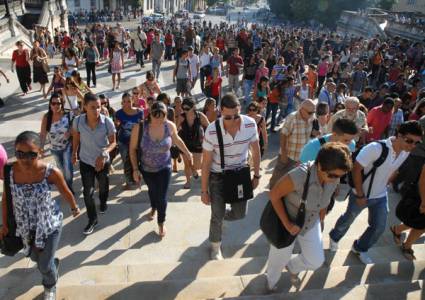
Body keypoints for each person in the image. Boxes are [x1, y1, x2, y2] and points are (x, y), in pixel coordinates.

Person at [329, 121, 423, 264]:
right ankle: (334, 237)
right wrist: (360, 194)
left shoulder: (405, 152)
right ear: (399, 135)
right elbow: (356, 168)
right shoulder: (376, 148)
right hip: (360, 195)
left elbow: (394, 169)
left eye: (417, 142)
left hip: (380, 195)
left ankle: (360, 248)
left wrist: (387, 182)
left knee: (379, 227)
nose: (412, 145)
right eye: (409, 140)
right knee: (348, 219)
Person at [0, 131, 80, 300]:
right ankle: (52, 264)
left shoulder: (50, 172)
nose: (25, 159)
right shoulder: (10, 172)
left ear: (40, 152)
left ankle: (50, 285)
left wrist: (74, 207)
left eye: (31, 154)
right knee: (35, 257)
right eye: (20, 153)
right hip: (25, 226)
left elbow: (65, 192)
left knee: (43, 265)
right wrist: (5, 224)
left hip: (49, 224)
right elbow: (6, 199)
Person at [266, 142, 352, 291]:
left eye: (340, 176)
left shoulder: (334, 176)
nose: (335, 179)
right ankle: (270, 283)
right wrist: (287, 224)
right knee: (278, 260)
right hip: (286, 223)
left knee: (316, 260)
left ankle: (292, 267)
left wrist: (322, 220)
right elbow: (274, 195)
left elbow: (325, 201)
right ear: (319, 166)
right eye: (332, 175)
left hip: (311, 221)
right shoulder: (299, 175)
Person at [201, 93, 261, 260]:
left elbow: (256, 151)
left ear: (240, 109)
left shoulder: (250, 125)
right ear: (220, 112)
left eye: (236, 116)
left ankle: (220, 219)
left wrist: (256, 175)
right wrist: (203, 191)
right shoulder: (212, 130)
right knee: (217, 215)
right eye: (228, 117)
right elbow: (205, 163)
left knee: (240, 214)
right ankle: (215, 246)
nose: (233, 120)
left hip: (240, 175)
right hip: (218, 177)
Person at [129, 102, 192, 238]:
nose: (158, 119)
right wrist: (135, 169)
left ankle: (161, 222)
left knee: (162, 196)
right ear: (149, 114)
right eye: (155, 115)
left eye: (161, 116)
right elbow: (132, 149)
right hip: (146, 169)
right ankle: (153, 208)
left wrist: (187, 152)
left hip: (165, 167)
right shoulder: (139, 128)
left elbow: (177, 139)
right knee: (152, 191)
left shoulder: (169, 126)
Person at [72, 93, 117, 235]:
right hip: (86, 161)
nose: (96, 110)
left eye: (98, 107)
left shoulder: (107, 122)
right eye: (92, 107)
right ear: (84, 107)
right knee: (88, 192)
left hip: (102, 160)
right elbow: (76, 138)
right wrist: (74, 153)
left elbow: (113, 142)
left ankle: (103, 201)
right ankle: (92, 219)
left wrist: (104, 154)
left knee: (103, 186)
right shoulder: (78, 121)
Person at [391, 138, 425, 261]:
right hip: (421, 195)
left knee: (420, 223)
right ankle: (407, 245)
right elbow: (423, 180)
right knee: (419, 223)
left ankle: (398, 229)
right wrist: (424, 202)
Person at [269, 100, 316, 189]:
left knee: (292, 178)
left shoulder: (311, 117)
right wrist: (283, 153)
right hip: (288, 154)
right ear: (302, 109)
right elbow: (283, 134)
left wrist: (314, 132)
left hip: (301, 156)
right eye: (310, 112)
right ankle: (272, 190)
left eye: (313, 112)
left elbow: (306, 131)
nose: (312, 114)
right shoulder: (292, 117)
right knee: (279, 174)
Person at [40, 93, 74, 193]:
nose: (55, 106)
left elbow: (76, 125)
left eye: (58, 103)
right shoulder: (47, 117)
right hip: (54, 149)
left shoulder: (68, 114)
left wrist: (70, 131)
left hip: (67, 146)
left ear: (62, 104)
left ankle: (68, 187)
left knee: (68, 168)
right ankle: (66, 186)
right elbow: (43, 134)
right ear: (50, 104)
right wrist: (41, 148)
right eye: (53, 103)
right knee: (61, 169)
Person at [178, 97, 210, 189]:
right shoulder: (181, 116)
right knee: (186, 164)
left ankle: (193, 169)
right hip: (185, 143)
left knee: (197, 165)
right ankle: (188, 181)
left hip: (197, 143)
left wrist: (208, 139)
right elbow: (175, 129)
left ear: (193, 107)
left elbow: (209, 127)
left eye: (187, 109)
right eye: (183, 108)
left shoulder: (200, 116)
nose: (185, 111)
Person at [115, 92, 144, 189]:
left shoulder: (140, 112)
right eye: (124, 102)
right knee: (126, 162)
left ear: (133, 101)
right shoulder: (118, 113)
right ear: (122, 103)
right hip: (124, 141)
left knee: (138, 161)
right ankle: (128, 181)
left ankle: (137, 178)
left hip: (137, 142)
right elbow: (116, 127)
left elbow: (142, 126)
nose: (127, 103)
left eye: (129, 101)